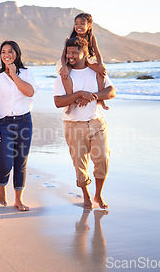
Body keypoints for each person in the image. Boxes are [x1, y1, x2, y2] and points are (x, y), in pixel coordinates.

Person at [53, 37, 115, 210]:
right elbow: (58, 102)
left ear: (85, 53)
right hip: (73, 125)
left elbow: (111, 91)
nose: (70, 56)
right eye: (68, 52)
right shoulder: (63, 75)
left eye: (74, 52)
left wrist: (93, 96)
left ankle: (98, 194)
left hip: (96, 122)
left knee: (103, 159)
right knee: (80, 165)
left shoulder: (96, 72)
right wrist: (80, 93)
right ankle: (86, 196)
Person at [0, 41, 36, 211]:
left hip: (24, 122)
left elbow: (29, 92)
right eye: (3, 52)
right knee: (6, 162)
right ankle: (2, 187)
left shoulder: (26, 73)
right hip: (3, 123)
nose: (6, 55)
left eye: (10, 51)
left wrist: (15, 75)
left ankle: (18, 199)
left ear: (17, 53)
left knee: (21, 162)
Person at [58, 13, 109, 114]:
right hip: (71, 61)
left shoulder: (91, 38)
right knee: (65, 74)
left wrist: (100, 65)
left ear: (89, 25)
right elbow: (63, 56)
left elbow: (98, 54)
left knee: (100, 72)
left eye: (82, 23)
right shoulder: (70, 39)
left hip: (87, 60)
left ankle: (100, 98)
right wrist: (64, 67)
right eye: (76, 24)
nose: (78, 26)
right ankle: (71, 102)